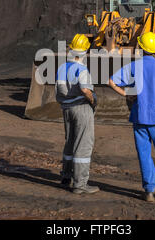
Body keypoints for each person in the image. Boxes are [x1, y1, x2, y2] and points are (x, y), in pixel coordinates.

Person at [108, 32, 155, 202]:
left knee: (144, 155)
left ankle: (149, 191)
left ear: (141, 48)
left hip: (139, 118)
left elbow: (111, 81)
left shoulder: (134, 66)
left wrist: (125, 92)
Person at [55, 34, 99, 194]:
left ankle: (66, 176)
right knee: (83, 145)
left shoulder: (62, 67)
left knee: (70, 142)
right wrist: (93, 101)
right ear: (85, 51)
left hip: (66, 109)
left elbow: (60, 89)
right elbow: (85, 89)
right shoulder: (82, 69)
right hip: (81, 108)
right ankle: (80, 184)